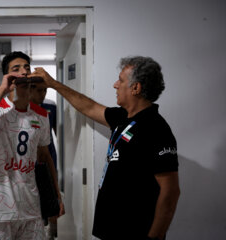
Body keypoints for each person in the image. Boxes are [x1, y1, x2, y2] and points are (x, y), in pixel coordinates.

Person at [29, 56, 180, 240]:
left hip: (135, 231)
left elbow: (170, 192)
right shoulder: (123, 117)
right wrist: (53, 84)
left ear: (136, 88)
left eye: (121, 80)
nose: (115, 85)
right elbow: (89, 106)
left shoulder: (156, 128)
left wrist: (153, 237)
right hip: (113, 228)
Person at [0, 51, 64, 240]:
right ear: (7, 76)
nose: (23, 72)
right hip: (0, 209)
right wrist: (2, 89)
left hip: (31, 208)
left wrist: (56, 197)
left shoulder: (41, 115)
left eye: (27, 68)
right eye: (16, 69)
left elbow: (45, 158)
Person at [30, 84, 58, 239]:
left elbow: (57, 131)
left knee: (49, 191)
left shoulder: (50, 106)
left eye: (45, 90)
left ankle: (50, 228)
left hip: (48, 153)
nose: (42, 93)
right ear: (30, 89)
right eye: (39, 90)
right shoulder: (23, 108)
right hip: (29, 157)